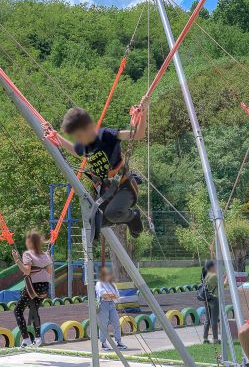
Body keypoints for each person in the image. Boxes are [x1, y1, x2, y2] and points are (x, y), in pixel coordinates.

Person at [52, 103, 148, 240]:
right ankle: (124, 217)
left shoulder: (106, 135)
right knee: (95, 222)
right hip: (106, 190)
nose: (78, 139)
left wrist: (142, 114)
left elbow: (138, 134)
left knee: (112, 213)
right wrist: (56, 136)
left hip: (123, 185)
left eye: (79, 135)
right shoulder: (83, 145)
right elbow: (75, 150)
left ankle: (132, 216)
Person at [12, 231, 52, 347]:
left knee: (18, 310)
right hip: (44, 288)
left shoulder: (27, 254)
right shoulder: (46, 255)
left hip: (32, 287)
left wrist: (17, 260)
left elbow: (26, 271)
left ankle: (26, 339)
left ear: (30, 242)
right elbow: (49, 271)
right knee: (33, 309)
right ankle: (38, 338)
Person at [95, 267, 126, 350]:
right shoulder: (99, 284)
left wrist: (109, 295)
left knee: (116, 323)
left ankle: (119, 342)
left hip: (112, 304)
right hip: (103, 305)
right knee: (103, 324)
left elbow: (117, 295)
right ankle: (103, 343)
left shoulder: (112, 284)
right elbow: (103, 295)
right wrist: (111, 295)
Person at [199, 260, 220, 345]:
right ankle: (215, 339)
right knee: (214, 319)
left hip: (206, 299)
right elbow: (223, 285)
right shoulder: (214, 276)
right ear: (211, 267)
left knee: (207, 319)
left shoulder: (206, 275)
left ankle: (205, 338)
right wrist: (226, 278)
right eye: (214, 266)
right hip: (214, 299)